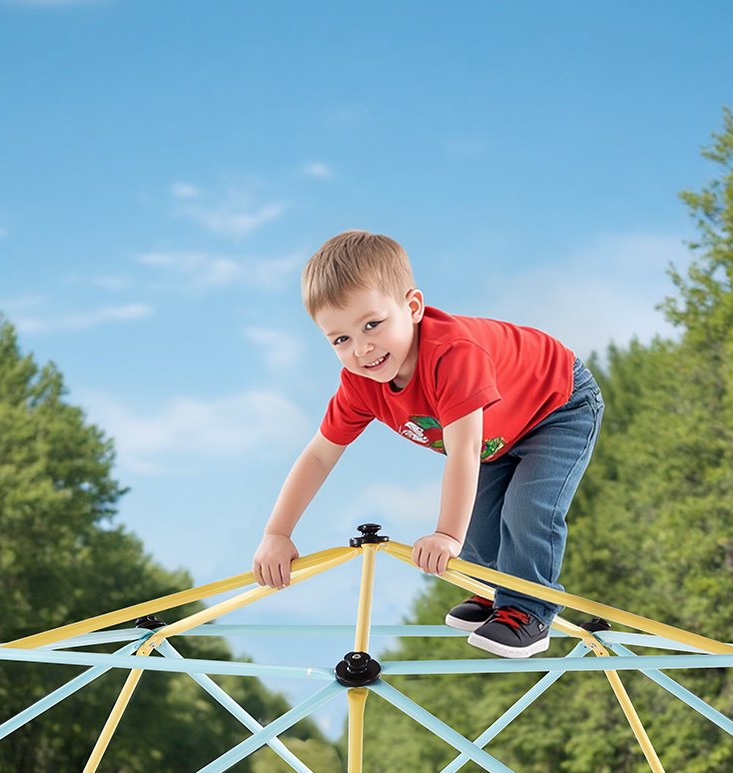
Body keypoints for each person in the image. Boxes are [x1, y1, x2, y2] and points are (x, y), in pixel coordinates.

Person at [252, 230, 604, 658]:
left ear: (413, 307)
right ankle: (491, 589)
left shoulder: (452, 356)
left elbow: (464, 451)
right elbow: (319, 455)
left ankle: (528, 611)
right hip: (496, 432)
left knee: (528, 509)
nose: (362, 349)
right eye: (341, 339)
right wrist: (277, 532)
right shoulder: (360, 385)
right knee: (479, 520)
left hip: (557, 407)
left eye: (372, 324)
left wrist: (445, 535)